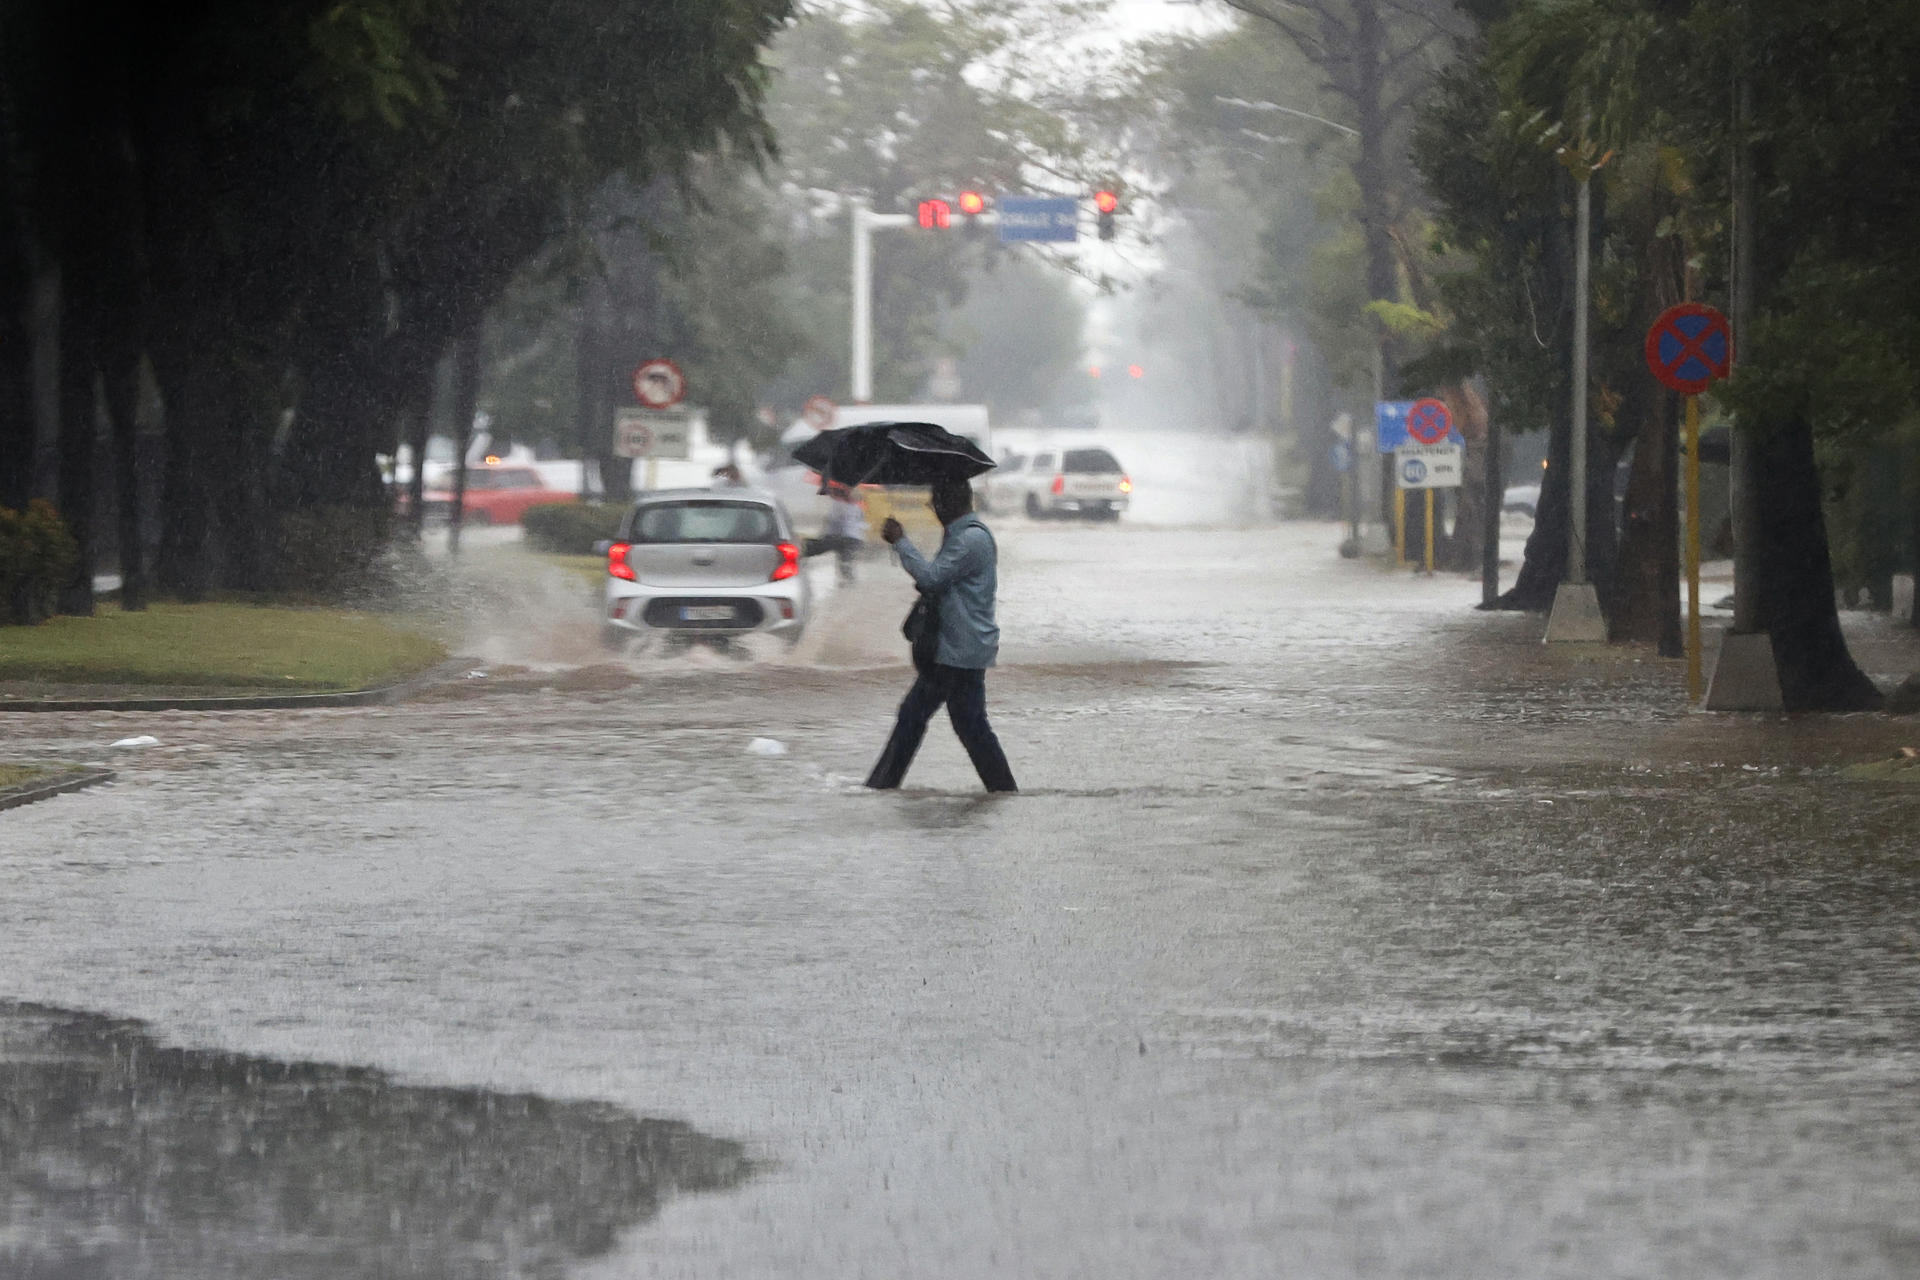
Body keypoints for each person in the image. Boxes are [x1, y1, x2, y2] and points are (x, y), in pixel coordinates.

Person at [867, 480, 1017, 792]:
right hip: (959, 649)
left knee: (934, 719)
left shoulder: (970, 540)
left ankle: (881, 787)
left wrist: (901, 541)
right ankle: (1003, 792)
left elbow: (932, 579)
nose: (933, 511)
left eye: (934, 504)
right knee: (964, 725)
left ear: (947, 505)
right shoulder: (963, 536)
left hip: (958, 652)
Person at [820, 483, 867, 583]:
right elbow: (861, 522)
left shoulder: (838, 505)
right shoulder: (858, 508)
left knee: (843, 558)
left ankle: (848, 579)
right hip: (856, 538)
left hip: (845, 537)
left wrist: (826, 534)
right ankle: (850, 579)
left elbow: (833, 520)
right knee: (848, 558)